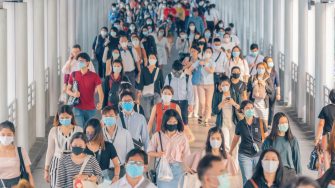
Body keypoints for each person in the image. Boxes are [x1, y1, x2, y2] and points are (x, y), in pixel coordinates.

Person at [147, 109, 191, 188]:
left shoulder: (182, 137)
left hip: (177, 169)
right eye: (170, 122)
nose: (172, 124)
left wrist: (188, 168)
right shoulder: (158, 135)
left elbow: (186, 155)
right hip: (162, 169)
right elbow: (149, 151)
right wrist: (158, 154)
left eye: (174, 122)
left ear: (178, 122)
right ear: (165, 122)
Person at [229, 100, 268, 185]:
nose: (250, 110)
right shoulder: (240, 124)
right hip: (244, 155)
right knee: (247, 179)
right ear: (243, 110)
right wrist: (231, 151)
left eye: (251, 108)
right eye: (247, 108)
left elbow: (266, 138)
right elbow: (235, 139)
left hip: (258, 155)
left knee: (258, 179)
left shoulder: (260, 122)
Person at [44, 105, 83, 188]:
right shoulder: (53, 131)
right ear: (58, 117)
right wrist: (46, 170)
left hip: (74, 163)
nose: (64, 119)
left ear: (71, 116)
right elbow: (50, 151)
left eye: (67, 117)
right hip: (57, 164)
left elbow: (83, 149)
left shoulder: (79, 130)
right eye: (62, 118)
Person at [66, 52, 104, 128]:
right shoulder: (73, 74)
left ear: (88, 63)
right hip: (77, 107)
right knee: (80, 129)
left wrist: (100, 102)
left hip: (90, 108)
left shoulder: (94, 76)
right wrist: (74, 94)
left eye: (82, 61)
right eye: (78, 61)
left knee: (88, 130)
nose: (80, 63)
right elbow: (68, 90)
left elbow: (100, 92)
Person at [262, 112, 301, 183]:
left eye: (286, 122)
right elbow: (262, 158)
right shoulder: (269, 140)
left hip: (290, 173)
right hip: (274, 173)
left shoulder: (292, 140)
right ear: (276, 124)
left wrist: (300, 177)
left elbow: (297, 159)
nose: (285, 124)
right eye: (282, 123)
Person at [84, 118, 121, 183]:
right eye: (87, 132)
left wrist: (116, 176)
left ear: (98, 132)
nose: (89, 135)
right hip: (87, 181)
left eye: (92, 132)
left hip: (104, 181)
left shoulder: (108, 146)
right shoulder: (82, 147)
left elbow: (117, 164)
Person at [101, 105, 134, 178]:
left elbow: (131, 152)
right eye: (105, 116)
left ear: (117, 117)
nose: (108, 118)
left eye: (111, 115)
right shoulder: (99, 134)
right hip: (104, 170)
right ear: (102, 118)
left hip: (122, 169)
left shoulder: (125, 133)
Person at [0, 121, 35, 187]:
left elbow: (28, 173)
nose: (5, 137)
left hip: (17, 185)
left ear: (13, 134)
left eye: (9, 134)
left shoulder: (21, 151)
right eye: (3, 134)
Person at [164, 61, 194, 134]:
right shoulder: (169, 77)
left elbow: (190, 91)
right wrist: (165, 101)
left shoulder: (187, 77)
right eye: (175, 72)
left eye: (179, 72)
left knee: (184, 120)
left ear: (182, 70)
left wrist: (191, 104)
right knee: (172, 119)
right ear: (172, 70)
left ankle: (184, 136)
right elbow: (165, 90)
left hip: (183, 102)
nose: (177, 74)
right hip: (172, 102)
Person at [212, 76, 240, 151]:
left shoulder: (235, 94)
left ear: (230, 84)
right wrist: (221, 104)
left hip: (234, 123)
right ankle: (227, 161)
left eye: (226, 85)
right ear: (220, 86)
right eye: (223, 85)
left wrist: (233, 103)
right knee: (225, 145)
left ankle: (234, 162)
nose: (225, 87)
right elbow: (214, 111)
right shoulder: (217, 95)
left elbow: (241, 109)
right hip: (223, 123)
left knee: (235, 146)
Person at [191, 47, 216, 126]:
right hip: (200, 84)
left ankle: (206, 119)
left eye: (209, 52)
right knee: (202, 103)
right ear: (203, 53)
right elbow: (191, 68)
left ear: (211, 54)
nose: (207, 53)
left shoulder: (212, 62)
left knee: (208, 103)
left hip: (210, 85)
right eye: (206, 51)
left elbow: (211, 71)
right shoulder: (199, 62)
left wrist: (204, 65)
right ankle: (202, 115)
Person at [247, 62, 275, 129]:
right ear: (256, 68)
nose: (260, 69)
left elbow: (271, 91)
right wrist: (253, 85)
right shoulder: (252, 77)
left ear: (265, 69)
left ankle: (263, 138)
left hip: (263, 103)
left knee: (264, 123)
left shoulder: (268, 78)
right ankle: (255, 137)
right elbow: (248, 89)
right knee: (253, 121)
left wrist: (265, 85)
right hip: (253, 102)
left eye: (262, 68)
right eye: (259, 68)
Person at [137, 54, 164, 120]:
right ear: (148, 60)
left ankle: (157, 126)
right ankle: (148, 126)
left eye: (153, 58)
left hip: (156, 93)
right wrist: (139, 92)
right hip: (146, 93)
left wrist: (162, 94)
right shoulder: (144, 70)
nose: (152, 59)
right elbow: (141, 82)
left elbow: (162, 83)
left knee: (158, 111)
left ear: (156, 60)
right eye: (150, 58)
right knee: (147, 114)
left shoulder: (159, 70)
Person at [265, 57, 281, 127]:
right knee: (265, 107)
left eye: (271, 61)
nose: (270, 63)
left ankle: (269, 123)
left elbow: (277, 84)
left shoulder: (274, 72)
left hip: (273, 93)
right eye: (269, 61)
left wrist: (278, 94)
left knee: (271, 108)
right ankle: (264, 121)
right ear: (265, 63)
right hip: (265, 92)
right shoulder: (263, 71)